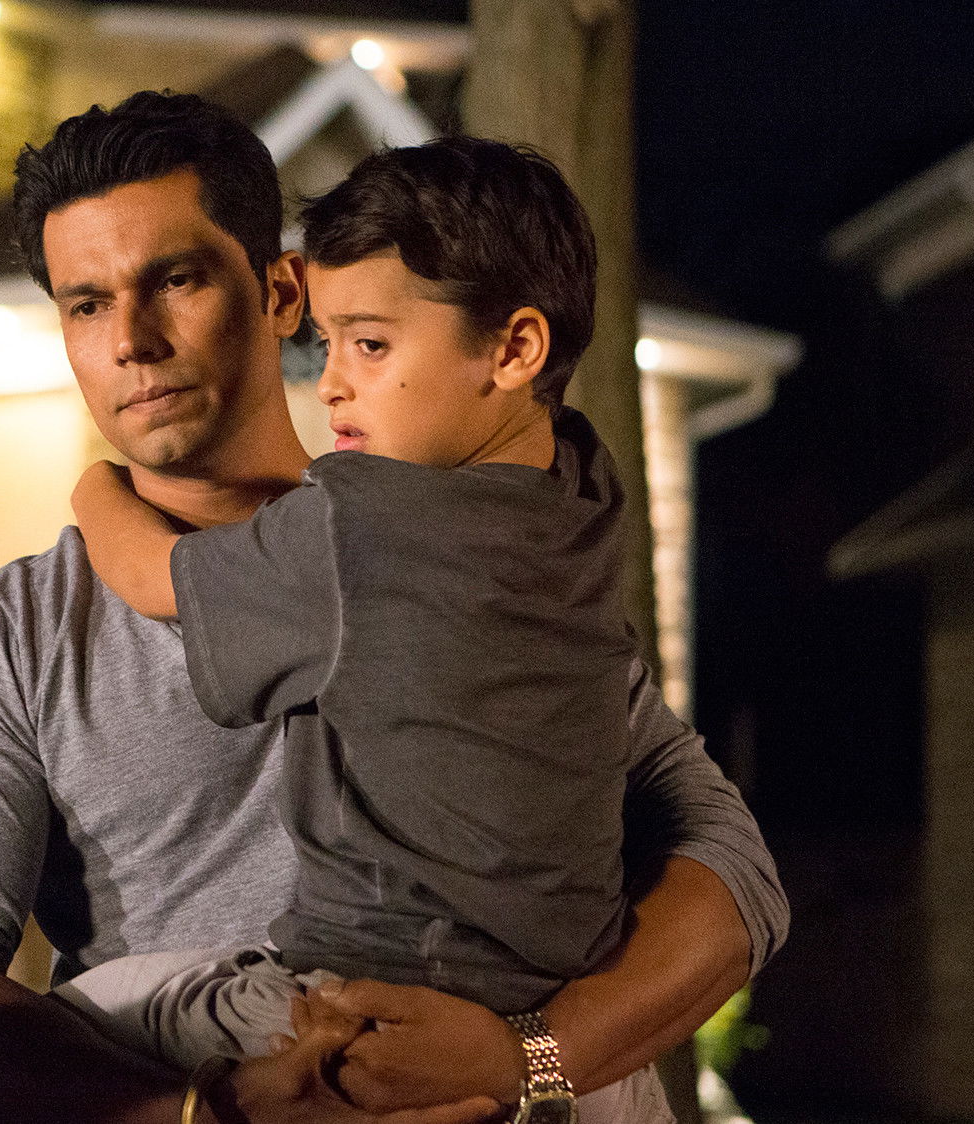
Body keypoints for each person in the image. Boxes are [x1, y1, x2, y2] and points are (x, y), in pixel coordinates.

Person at [0, 91, 788, 1124]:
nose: (132, 341)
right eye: (85, 305)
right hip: (200, 1071)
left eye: (176, 279)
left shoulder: (472, 563)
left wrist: (525, 1056)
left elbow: (731, 875)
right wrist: (200, 1113)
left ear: (281, 291)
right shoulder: (13, 638)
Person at [56, 136, 644, 1122]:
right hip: (560, 1009)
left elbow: (150, 575)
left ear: (514, 349)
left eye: (369, 345)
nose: (330, 383)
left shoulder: (356, 527)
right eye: (324, 344)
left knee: (66, 1018)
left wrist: (94, 486)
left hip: (373, 1002)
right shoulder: (583, 494)